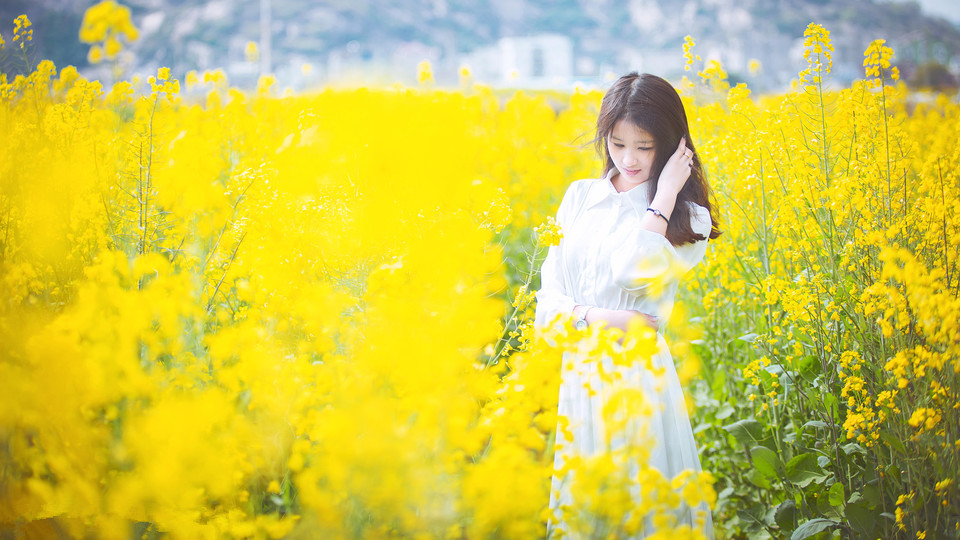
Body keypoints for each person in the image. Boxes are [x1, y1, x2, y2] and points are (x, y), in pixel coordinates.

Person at [534, 72, 721, 538]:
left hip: (637, 379)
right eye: (617, 144)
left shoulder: (690, 218)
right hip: (580, 374)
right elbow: (546, 310)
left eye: (644, 146)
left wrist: (663, 197)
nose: (629, 159)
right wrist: (603, 317)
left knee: (642, 509)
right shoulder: (580, 198)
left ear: (673, 146)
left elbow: (631, 271)